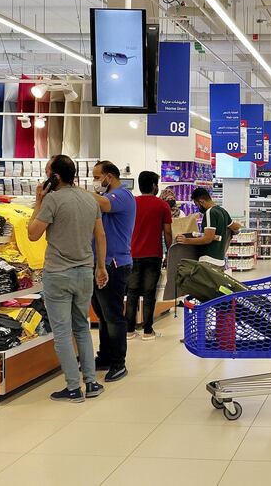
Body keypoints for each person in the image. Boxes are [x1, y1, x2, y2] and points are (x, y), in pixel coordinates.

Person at [28, 155, 108, 402]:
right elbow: (100, 235)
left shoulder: (51, 200)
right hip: (85, 271)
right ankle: (92, 383)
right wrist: (101, 267)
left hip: (58, 273)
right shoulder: (88, 199)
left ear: (55, 176)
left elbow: (32, 234)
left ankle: (73, 388)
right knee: (82, 327)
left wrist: (39, 201)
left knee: (62, 332)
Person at [90, 160, 136, 382]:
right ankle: (105, 356)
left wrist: (74, 190)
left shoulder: (123, 196)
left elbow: (103, 204)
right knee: (103, 315)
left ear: (109, 176)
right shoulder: (106, 197)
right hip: (100, 263)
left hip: (115, 265)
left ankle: (119, 363)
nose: (96, 181)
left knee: (114, 316)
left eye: (97, 177)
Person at [126, 171, 172, 341]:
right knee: (149, 293)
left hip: (132, 254)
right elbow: (167, 232)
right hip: (153, 255)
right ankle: (147, 331)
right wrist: (170, 252)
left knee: (131, 293)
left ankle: (129, 330)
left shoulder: (132, 203)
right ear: (154, 186)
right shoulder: (162, 206)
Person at [174, 187, 241, 270]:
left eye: (197, 204)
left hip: (209, 260)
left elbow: (207, 239)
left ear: (201, 201)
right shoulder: (222, 211)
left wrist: (186, 240)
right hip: (220, 260)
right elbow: (236, 227)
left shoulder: (210, 212)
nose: (198, 207)